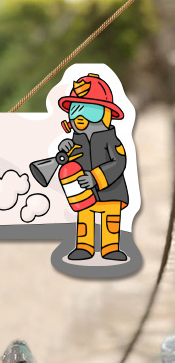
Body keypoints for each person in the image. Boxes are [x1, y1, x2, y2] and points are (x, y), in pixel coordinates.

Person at [57, 73, 128, 261]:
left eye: (91, 112)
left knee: (110, 221)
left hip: (111, 191)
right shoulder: (76, 140)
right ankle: (84, 246)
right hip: (85, 193)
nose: (81, 118)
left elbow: (119, 162)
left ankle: (110, 248)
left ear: (106, 115)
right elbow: (71, 161)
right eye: (75, 112)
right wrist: (64, 149)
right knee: (85, 220)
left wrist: (96, 177)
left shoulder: (111, 140)